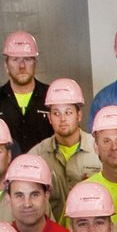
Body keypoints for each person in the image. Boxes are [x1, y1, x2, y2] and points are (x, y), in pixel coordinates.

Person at [26, 79, 101, 209]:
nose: (62, 119)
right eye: (56, 113)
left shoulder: (99, 150)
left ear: (79, 115)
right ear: (49, 118)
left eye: (68, 112)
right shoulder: (36, 156)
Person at [0, 31, 52, 153]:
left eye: (27, 59)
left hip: (46, 170)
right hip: (7, 172)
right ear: (6, 66)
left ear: (35, 64)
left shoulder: (52, 97)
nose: (22, 66)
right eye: (15, 60)